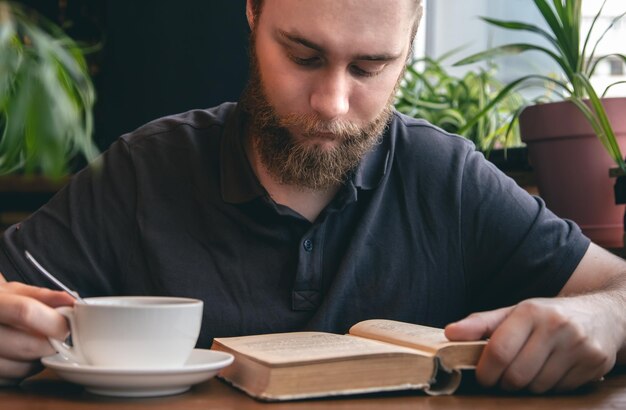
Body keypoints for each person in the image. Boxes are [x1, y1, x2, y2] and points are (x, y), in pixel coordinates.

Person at [0, 0, 625, 394]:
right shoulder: (143, 170)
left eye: (369, 68)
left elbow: (619, 288)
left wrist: (605, 316)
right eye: (303, 56)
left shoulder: (449, 178)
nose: (332, 104)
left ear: (407, 50)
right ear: (252, 14)